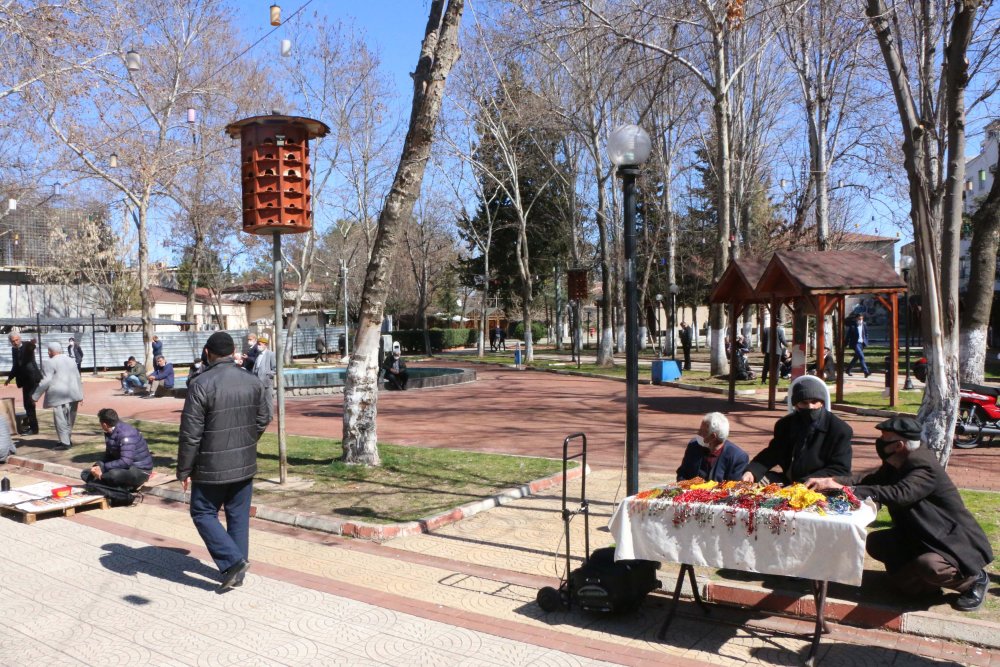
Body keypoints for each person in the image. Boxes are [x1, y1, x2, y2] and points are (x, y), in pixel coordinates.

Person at [808, 417, 993, 612]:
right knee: (877, 542)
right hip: (918, 533)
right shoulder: (899, 461)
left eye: (884, 439)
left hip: (947, 539)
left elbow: (899, 494)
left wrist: (847, 491)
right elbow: (871, 479)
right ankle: (923, 588)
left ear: (899, 445)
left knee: (929, 566)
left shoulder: (923, 465)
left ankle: (973, 581)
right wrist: (833, 481)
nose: (879, 442)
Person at [177, 331, 272, 593]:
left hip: (211, 466)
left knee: (202, 511)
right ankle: (237, 569)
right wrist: (246, 440)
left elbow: (190, 434)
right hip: (244, 460)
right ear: (232, 352)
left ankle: (233, 563)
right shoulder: (252, 380)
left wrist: (184, 469)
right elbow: (264, 417)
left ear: (207, 353)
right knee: (238, 515)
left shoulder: (200, 383)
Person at [742, 374, 852, 484]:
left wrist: (804, 483)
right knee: (755, 484)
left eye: (814, 402)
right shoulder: (785, 425)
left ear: (822, 402)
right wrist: (752, 471)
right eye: (804, 402)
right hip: (789, 480)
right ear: (796, 405)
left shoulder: (839, 430)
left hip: (821, 484)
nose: (810, 407)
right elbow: (773, 453)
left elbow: (840, 468)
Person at [81, 408, 154, 492]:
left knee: (112, 475)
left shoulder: (126, 434)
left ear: (104, 424)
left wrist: (104, 468)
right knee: (86, 473)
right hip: (122, 465)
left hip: (140, 470)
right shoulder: (109, 432)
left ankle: (104, 485)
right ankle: (106, 485)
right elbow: (109, 456)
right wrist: (98, 466)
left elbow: (126, 462)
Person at [32, 341, 84, 451]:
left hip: (59, 395)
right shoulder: (71, 361)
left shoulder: (49, 362)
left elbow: (46, 380)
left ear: (50, 352)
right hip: (74, 393)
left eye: (48, 351)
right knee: (70, 419)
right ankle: (66, 439)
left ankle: (65, 442)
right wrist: (81, 394)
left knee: (60, 420)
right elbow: (77, 377)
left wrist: (35, 396)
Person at [676, 412, 749, 482]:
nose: (698, 433)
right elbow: (682, 474)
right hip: (690, 493)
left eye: (701, 431)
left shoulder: (738, 458)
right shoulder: (694, 446)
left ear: (712, 437)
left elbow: (733, 488)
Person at [14, 340, 42, 434]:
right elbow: (16, 366)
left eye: (16, 340)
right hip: (25, 380)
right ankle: (32, 427)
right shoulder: (14, 350)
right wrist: (10, 377)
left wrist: (32, 344)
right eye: (12, 341)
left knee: (29, 404)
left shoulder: (26, 346)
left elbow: (31, 347)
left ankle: (34, 429)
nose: (15, 342)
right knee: (27, 405)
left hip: (33, 379)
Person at [845, 313, 871, 378]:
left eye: (862, 319)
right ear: (856, 319)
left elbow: (866, 333)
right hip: (855, 344)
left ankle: (848, 370)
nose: (861, 320)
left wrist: (866, 341)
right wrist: (845, 343)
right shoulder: (853, 326)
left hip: (862, 343)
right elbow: (848, 335)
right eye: (859, 319)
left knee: (856, 358)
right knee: (861, 357)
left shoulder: (864, 324)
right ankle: (866, 372)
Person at [252, 335, 276, 403]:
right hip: (257, 382)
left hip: (266, 383)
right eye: (257, 344)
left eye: (260, 344)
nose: (258, 346)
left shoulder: (271, 354)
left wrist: (267, 375)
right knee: (260, 402)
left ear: (265, 344)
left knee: (268, 402)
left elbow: (275, 369)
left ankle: (270, 414)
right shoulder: (258, 354)